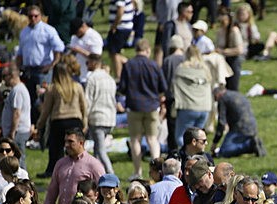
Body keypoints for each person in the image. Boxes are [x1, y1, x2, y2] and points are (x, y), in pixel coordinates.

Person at [118, 39, 168, 180]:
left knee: (135, 140)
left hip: (134, 106)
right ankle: (158, 171)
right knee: (153, 139)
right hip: (151, 106)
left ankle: (137, 172)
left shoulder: (129, 65)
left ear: (136, 50)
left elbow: (122, 88)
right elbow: (163, 87)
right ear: (148, 50)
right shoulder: (154, 65)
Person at [35, 63, 87, 178]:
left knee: (56, 149)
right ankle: (80, 168)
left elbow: (46, 110)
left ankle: (53, 171)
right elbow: (84, 106)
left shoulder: (53, 88)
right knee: (76, 148)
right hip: (75, 120)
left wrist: (39, 125)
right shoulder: (77, 86)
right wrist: (85, 123)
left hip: (59, 121)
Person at [16, 5, 65, 124]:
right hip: (28, 70)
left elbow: (59, 48)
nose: (33, 18)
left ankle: (44, 124)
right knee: (29, 99)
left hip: (43, 70)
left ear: (40, 16)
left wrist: (52, 65)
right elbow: (20, 53)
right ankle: (33, 124)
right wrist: (17, 69)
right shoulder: (24, 32)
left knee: (43, 100)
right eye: (30, 16)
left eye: (36, 16)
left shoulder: (48, 30)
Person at [44, 129, 105, 204]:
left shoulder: (94, 165)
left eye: (70, 142)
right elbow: (52, 191)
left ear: (81, 143)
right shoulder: (60, 163)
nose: (66, 145)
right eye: (65, 141)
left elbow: (102, 190)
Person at [172, 45, 213, 146]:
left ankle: (188, 155)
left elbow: (174, 87)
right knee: (198, 138)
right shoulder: (205, 70)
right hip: (204, 108)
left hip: (188, 107)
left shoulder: (181, 69)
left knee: (181, 137)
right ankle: (197, 155)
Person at [85, 54, 117, 175]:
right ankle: (96, 174)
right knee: (97, 148)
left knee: (100, 150)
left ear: (94, 63)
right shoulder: (110, 79)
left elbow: (88, 100)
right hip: (110, 118)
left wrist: (84, 118)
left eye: (87, 63)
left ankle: (111, 173)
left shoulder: (92, 78)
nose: (87, 65)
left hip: (97, 118)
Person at [213, 83, 266, 158]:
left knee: (224, 152)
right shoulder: (238, 94)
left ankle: (249, 145)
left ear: (217, 94)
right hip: (252, 126)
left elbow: (221, 123)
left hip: (239, 128)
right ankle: (252, 142)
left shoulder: (222, 99)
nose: (215, 100)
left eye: (215, 97)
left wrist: (215, 142)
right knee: (235, 142)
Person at [0, 65, 32, 170]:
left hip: (18, 131)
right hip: (17, 131)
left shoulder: (18, 90)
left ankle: (23, 179)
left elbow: (17, 113)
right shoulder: (16, 89)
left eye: (4, 76)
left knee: (18, 160)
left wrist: (12, 132)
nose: (3, 80)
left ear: (12, 75)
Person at [215, 8, 245, 91]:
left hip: (233, 59)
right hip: (222, 60)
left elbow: (240, 50)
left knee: (233, 86)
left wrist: (224, 51)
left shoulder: (234, 31)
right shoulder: (219, 31)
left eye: (224, 21)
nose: (222, 23)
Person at [68, 19, 104, 84]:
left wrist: (80, 51)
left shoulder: (94, 37)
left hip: (88, 76)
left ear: (83, 26)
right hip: (76, 74)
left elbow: (97, 58)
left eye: (77, 31)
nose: (76, 34)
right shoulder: (74, 37)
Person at [107, 0, 136, 79]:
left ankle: (119, 77)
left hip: (120, 27)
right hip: (125, 26)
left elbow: (120, 10)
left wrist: (114, 26)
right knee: (113, 53)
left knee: (114, 53)